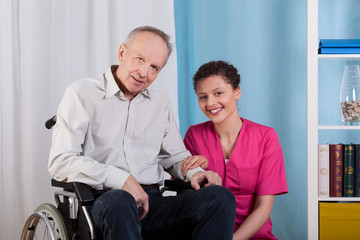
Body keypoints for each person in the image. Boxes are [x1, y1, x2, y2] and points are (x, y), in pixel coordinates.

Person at [48, 27, 236, 239]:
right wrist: (122, 179)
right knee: (120, 199)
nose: (144, 73)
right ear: (122, 53)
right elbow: (60, 161)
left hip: (153, 202)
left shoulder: (160, 101)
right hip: (104, 202)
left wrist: (196, 174)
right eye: (140, 59)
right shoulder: (82, 94)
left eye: (154, 67)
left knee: (220, 197)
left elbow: (173, 156)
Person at [182, 61, 288, 240]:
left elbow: (264, 206)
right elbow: (186, 196)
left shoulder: (266, 137)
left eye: (218, 93)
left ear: (237, 92)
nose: (211, 103)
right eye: (203, 97)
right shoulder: (194, 135)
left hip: (254, 235)